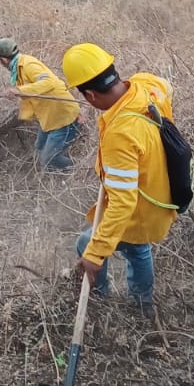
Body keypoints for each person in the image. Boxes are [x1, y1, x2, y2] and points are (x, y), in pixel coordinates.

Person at [62, 43, 177, 312]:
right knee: (137, 248)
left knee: (86, 242)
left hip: (143, 206)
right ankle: (142, 303)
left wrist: (95, 254)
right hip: (160, 192)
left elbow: (123, 204)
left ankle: (104, 300)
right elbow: (166, 86)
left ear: (89, 95)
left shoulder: (121, 134)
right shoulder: (145, 85)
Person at [0, 38, 80, 172]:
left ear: (3, 59)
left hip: (63, 117)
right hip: (48, 117)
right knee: (40, 146)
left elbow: (49, 82)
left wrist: (19, 91)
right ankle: (59, 171)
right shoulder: (18, 68)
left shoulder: (28, 65)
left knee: (49, 159)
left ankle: (80, 170)